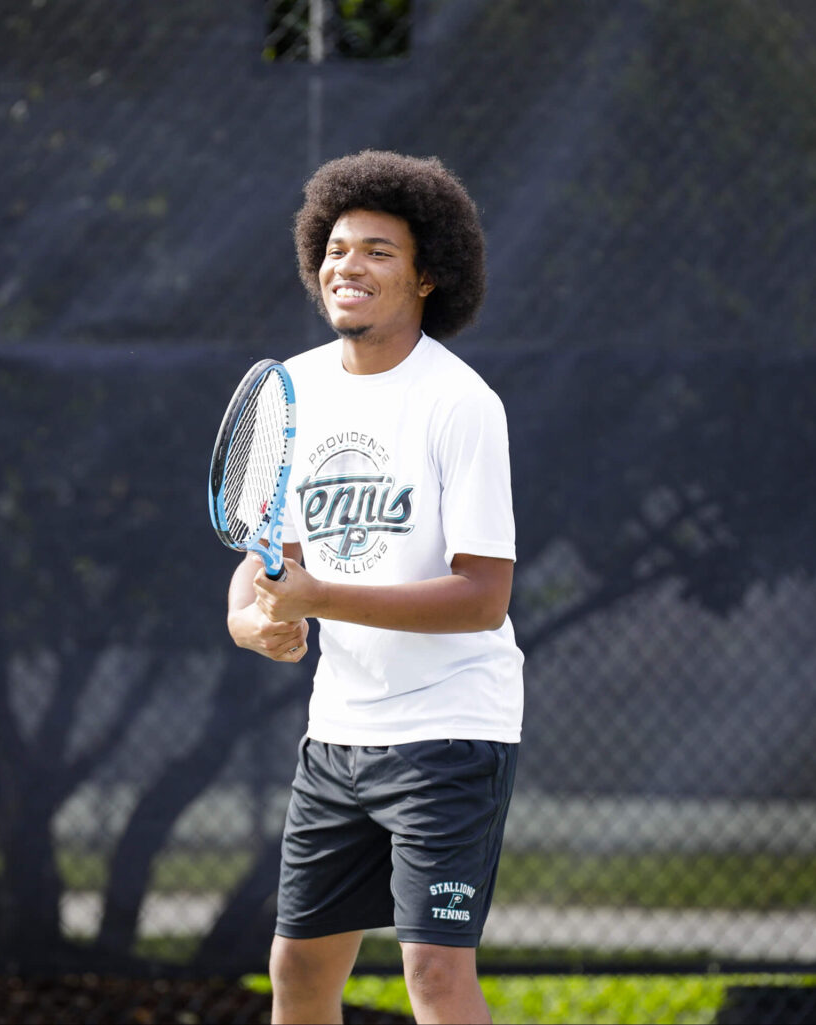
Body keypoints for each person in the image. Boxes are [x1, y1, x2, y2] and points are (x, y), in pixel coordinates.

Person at [225, 149, 523, 1025]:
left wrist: (317, 599)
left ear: (429, 275)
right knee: (300, 972)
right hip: (339, 735)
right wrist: (253, 621)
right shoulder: (289, 390)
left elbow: (482, 597)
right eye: (338, 248)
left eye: (379, 252)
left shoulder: (461, 403)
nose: (348, 266)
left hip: (450, 729)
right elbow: (264, 557)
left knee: (431, 970)